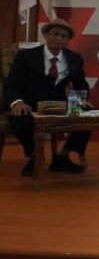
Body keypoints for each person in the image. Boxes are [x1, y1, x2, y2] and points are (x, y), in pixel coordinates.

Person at [2, 19, 93, 176]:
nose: (59, 38)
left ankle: (63, 157)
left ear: (67, 40)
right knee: (20, 118)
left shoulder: (74, 58)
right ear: (46, 35)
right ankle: (34, 156)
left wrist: (81, 100)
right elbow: (12, 84)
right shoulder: (26, 56)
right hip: (30, 104)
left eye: (64, 36)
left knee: (90, 117)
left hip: (60, 105)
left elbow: (81, 84)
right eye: (55, 34)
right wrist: (17, 102)